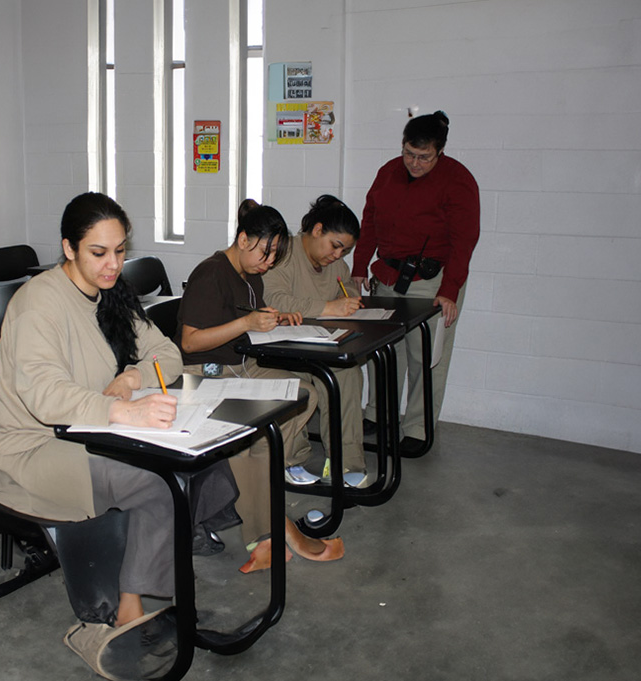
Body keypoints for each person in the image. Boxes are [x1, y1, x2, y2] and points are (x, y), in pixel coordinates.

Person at [0, 192, 238, 670]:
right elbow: (45, 397)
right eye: (99, 252)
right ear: (68, 248)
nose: (113, 264)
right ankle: (128, 610)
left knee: (202, 459)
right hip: (32, 448)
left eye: (120, 250)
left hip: (88, 429)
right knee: (159, 485)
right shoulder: (38, 305)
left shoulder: (111, 295)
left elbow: (167, 353)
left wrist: (133, 378)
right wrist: (124, 413)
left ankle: (154, 571)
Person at [176, 199, 344, 573]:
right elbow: (189, 342)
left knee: (305, 395)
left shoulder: (249, 275)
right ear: (243, 238)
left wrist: (277, 319)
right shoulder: (211, 273)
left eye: (274, 256)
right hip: (207, 375)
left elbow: (251, 318)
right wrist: (247, 322)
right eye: (265, 253)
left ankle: (260, 483)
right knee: (256, 436)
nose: (268, 263)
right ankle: (265, 530)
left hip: (240, 368)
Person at [351, 111, 480, 454]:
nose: (415, 163)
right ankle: (379, 414)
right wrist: (359, 265)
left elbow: (464, 240)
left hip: (432, 280)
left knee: (425, 357)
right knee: (383, 351)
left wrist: (449, 291)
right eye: (409, 153)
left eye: (424, 157)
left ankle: (419, 429)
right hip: (389, 277)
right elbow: (370, 220)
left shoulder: (458, 180)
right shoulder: (388, 173)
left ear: (440, 151)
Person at [263, 195, 367, 486]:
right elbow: (275, 299)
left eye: (344, 251)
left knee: (348, 375)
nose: (337, 256)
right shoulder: (284, 253)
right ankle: (292, 459)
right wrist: (328, 308)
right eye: (335, 246)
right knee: (300, 386)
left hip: (319, 345)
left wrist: (348, 298)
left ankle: (346, 463)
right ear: (317, 230)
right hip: (281, 348)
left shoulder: (335, 264)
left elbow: (344, 285)